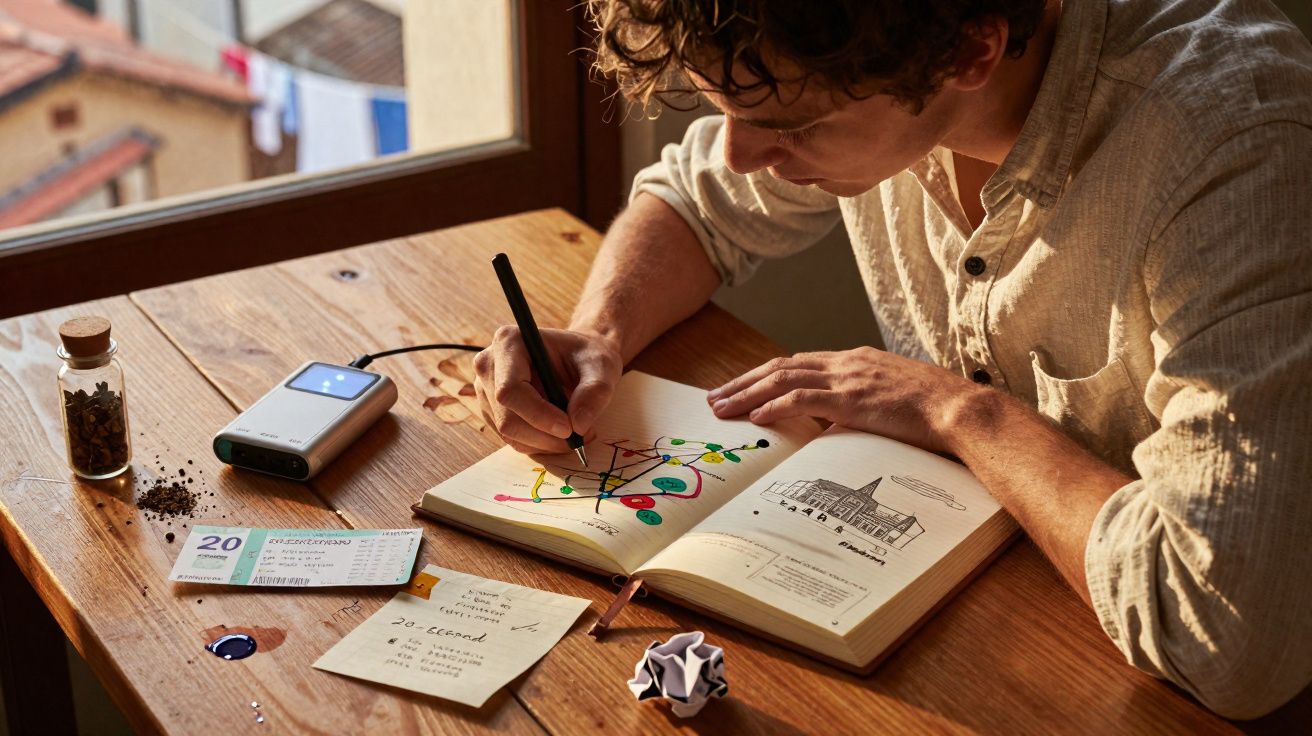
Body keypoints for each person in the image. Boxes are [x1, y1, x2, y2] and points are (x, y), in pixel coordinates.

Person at [472, 0, 1312, 718]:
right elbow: (699, 201)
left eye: (789, 126)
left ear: (970, 50)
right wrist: (598, 335)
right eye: (719, 106)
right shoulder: (856, 48)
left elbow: (1230, 640)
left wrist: (960, 411)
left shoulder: (1237, 144)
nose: (739, 152)